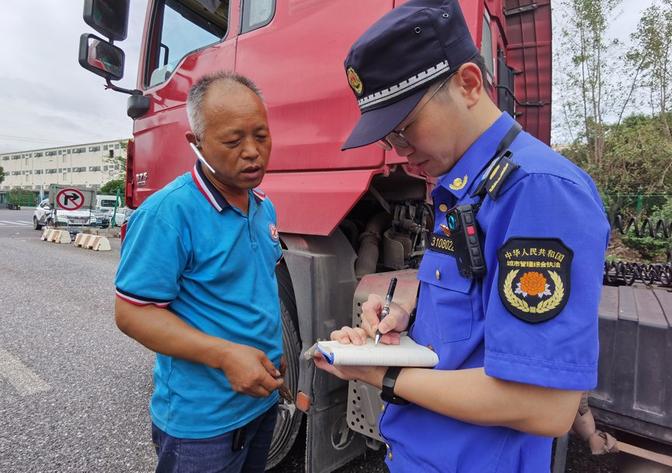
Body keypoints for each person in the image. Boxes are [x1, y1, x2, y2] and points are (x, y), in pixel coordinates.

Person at [314, 1, 610, 471]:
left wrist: (379, 373)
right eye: (389, 140)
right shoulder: (461, 187)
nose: (403, 154)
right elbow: (475, 309)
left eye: (407, 128)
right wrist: (405, 315)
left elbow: (545, 407)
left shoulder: (537, 191)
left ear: (469, 84)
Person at [114, 71, 285, 473]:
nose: (252, 152)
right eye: (232, 141)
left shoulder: (263, 207)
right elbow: (132, 313)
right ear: (196, 142)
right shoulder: (168, 214)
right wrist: (225, 355)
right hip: (201, 426)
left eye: (261, 136)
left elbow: (257, 293)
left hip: (260, 405)